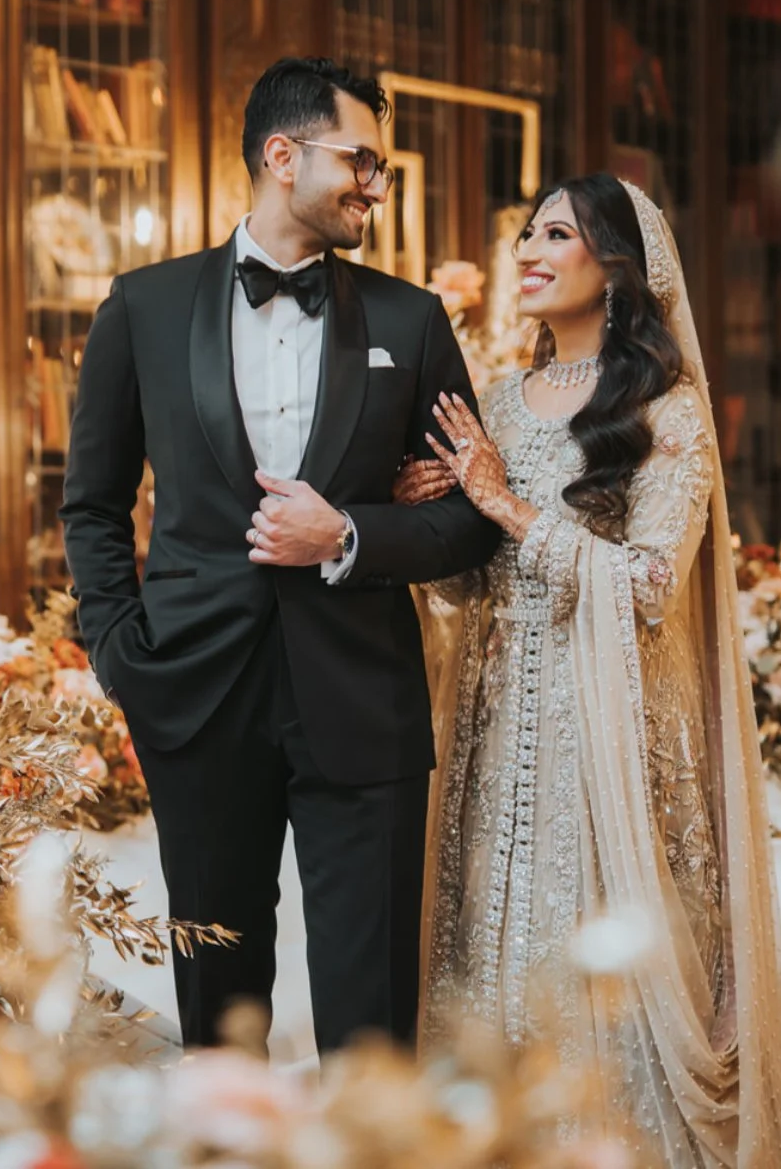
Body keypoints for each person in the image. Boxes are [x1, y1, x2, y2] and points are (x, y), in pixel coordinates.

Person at [60, 57, 502, 1054]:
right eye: (363, 161)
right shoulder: (145, 307)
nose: (377, 187)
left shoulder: (410, 320)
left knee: (371, 1012)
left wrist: (347, 534)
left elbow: (470, 518)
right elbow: (91, 502)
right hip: (194, 694)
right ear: (281, 154)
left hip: (364, 700)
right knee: (215, 994)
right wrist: (119, 652)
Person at [396, 174, 781, 1165]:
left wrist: (499, 504)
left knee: (591, 994)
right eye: (527, 232)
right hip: (490, 751)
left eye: (558, 235)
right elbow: (469, 593)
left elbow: (648, 587)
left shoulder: (668, 415)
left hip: (604, 763)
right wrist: (433, 522)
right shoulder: (496, 401)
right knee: (478, 968)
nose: (529, 250)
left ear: (617, 271)